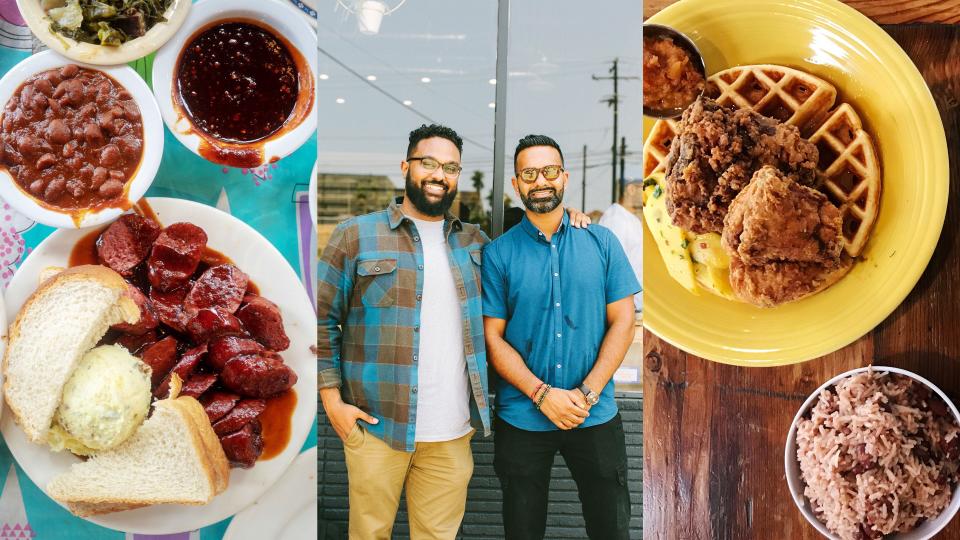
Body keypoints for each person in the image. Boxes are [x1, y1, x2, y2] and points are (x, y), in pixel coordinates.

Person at [317, 124, 590, 540]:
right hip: (377, 427)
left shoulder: (476, 242)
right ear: (406, 166)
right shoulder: (356, 234)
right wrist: (332, 402)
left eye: (450, 167)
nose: (438, 174)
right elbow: (320, 321)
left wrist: (567, 217)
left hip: (450, 433)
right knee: (368, 534)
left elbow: (534, 237)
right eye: (428, 163)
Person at [482, 134, 640, 540]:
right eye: (529, 173)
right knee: (522, 529)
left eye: (549, 171)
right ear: (516, 185)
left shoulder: (601, 241)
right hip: (522, 417)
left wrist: (586, 393)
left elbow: (623, 321)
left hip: (595, 413)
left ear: (565, 177)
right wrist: (541, 394)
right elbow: (493, 337)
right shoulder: (498, 254)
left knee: (612, 528)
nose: (541, 181)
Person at [599, 177, 644, 312]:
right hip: (628, 308)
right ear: (631, 189)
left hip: (636, 307)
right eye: (643, 188)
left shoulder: (630, 218)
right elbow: (611, 268)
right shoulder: (615, 220)